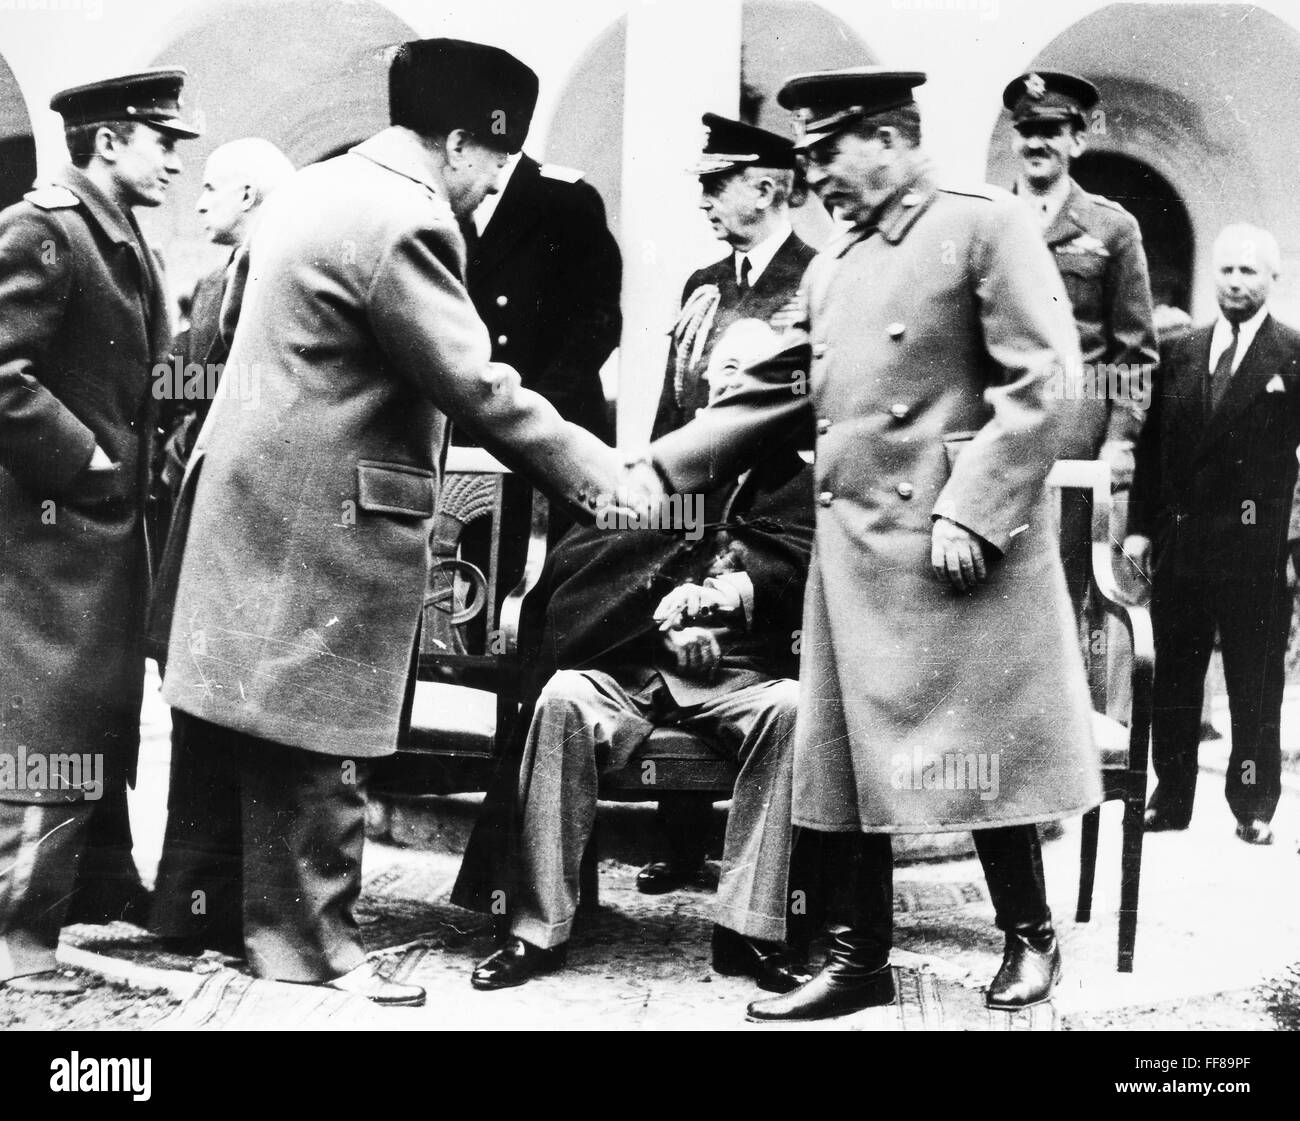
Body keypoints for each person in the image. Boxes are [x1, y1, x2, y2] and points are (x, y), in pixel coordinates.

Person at [157, 38, 644, 1008]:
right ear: (459, 143)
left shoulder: (315, 188)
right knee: (322, 731)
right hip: (325, 515)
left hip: (255, 499)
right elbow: (477, 386)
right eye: (494, 162)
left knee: (259, 720)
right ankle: (316, 946)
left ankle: (236, 922)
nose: (493, 184)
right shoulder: (407, 219)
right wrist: (606, 477)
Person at [637, 67, 1098, 1021]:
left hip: (954, 551)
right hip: (855, 556)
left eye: (826, 152)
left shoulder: (983, 225)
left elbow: (1047, 380)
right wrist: (653, 471)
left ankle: (1030, 934)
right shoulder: (833, 265)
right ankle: (859, 958)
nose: (813, 176)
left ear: (887, 139)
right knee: (854, 760)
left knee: (976, 748)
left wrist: (973, 507)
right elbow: (773, 390)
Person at [463, 347, 815, 993]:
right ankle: (536, 928)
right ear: (701, 384)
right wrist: (660, 628)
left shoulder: (796, 484)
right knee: (563, 698)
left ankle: (751, 930)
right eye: (727, 367)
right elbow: (578, 582)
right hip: (628, 669)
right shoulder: (657, 472)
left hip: (740, 678)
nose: (738, 381)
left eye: (756, 370)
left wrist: (725, 611)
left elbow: (811, 581)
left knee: (792, 712)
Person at [0, 68, 200, 994]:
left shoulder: (115, 235)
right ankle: (18, 942)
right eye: (163, 141)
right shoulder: (44, 228)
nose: (175, 161)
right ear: (109, 141)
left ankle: (70, 903)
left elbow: (144, 377)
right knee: (46, 731)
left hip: (98, 541)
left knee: (86, 722)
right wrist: (84, 461)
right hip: (51, 544)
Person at [149, 138, 294, 957]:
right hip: (200, 513)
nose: (199, 200)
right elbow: (183, 381)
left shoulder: (284, 277)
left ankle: (235, 910)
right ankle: (189, 909)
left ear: (249, 194)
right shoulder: (213, 283)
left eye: (213, 187)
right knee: (198, 708)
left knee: (239, 713)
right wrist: (176, 432)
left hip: (257, 525)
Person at [1125, 224, 1300, 847]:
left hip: (1256, 549)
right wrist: (1139, 530)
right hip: (1183, 545)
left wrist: (1293, 544)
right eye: (1226, 269)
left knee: (1255, 682)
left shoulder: (1291, 354)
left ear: (1272, 279)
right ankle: (1170, 796)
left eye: (1249, 271)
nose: (1235, 282)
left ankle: (1253, 804)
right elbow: (1151, 449)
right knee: (1175, 676)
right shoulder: (1181, 350)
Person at [1003, 71, 1158, 715]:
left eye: (1052, 130)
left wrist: (1120, 440)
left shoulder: (1110, 228)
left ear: (1077, 140)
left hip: (1076, 439)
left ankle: (1070, 739)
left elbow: (1134, 350)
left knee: (1071, 593)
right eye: (1027, 130)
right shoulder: (990, 220)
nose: (1037, 143)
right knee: (997, 591)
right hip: (998, 436)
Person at [652, 113, 815, 440]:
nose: (702, 203)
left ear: (764, 193)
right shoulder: (703, 284)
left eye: (715, 188)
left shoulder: (818, 275)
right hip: (698, 465)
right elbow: (674, 403)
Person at [460, 123, 622, 443]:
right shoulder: (445, 198)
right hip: (470, 427)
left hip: (554, 424)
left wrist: (533, 408)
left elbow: (599, 320)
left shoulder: (565, 197)